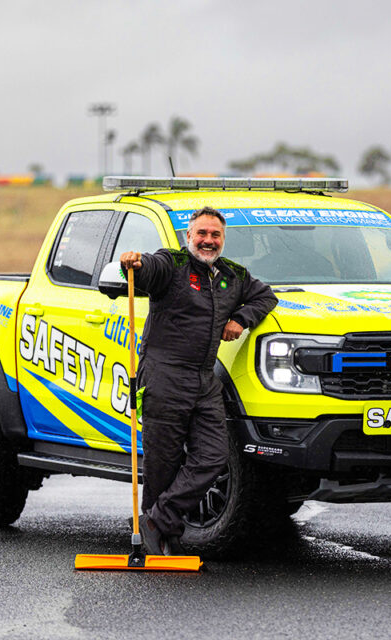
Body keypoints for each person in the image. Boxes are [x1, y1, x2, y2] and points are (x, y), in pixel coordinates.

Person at [119, 207, 278, 555]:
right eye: (201, 234)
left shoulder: (232, 275)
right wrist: (134, 263)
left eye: (215, 235)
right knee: (163, 461)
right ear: (188, 236)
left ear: (223, 238)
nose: (208, 240)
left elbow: (266, 296)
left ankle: (156, 520)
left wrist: (241, 318)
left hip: (205, 381)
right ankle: (165, 537)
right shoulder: (171, 265)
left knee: (213, 457)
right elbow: (148, 269)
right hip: (164, 376)